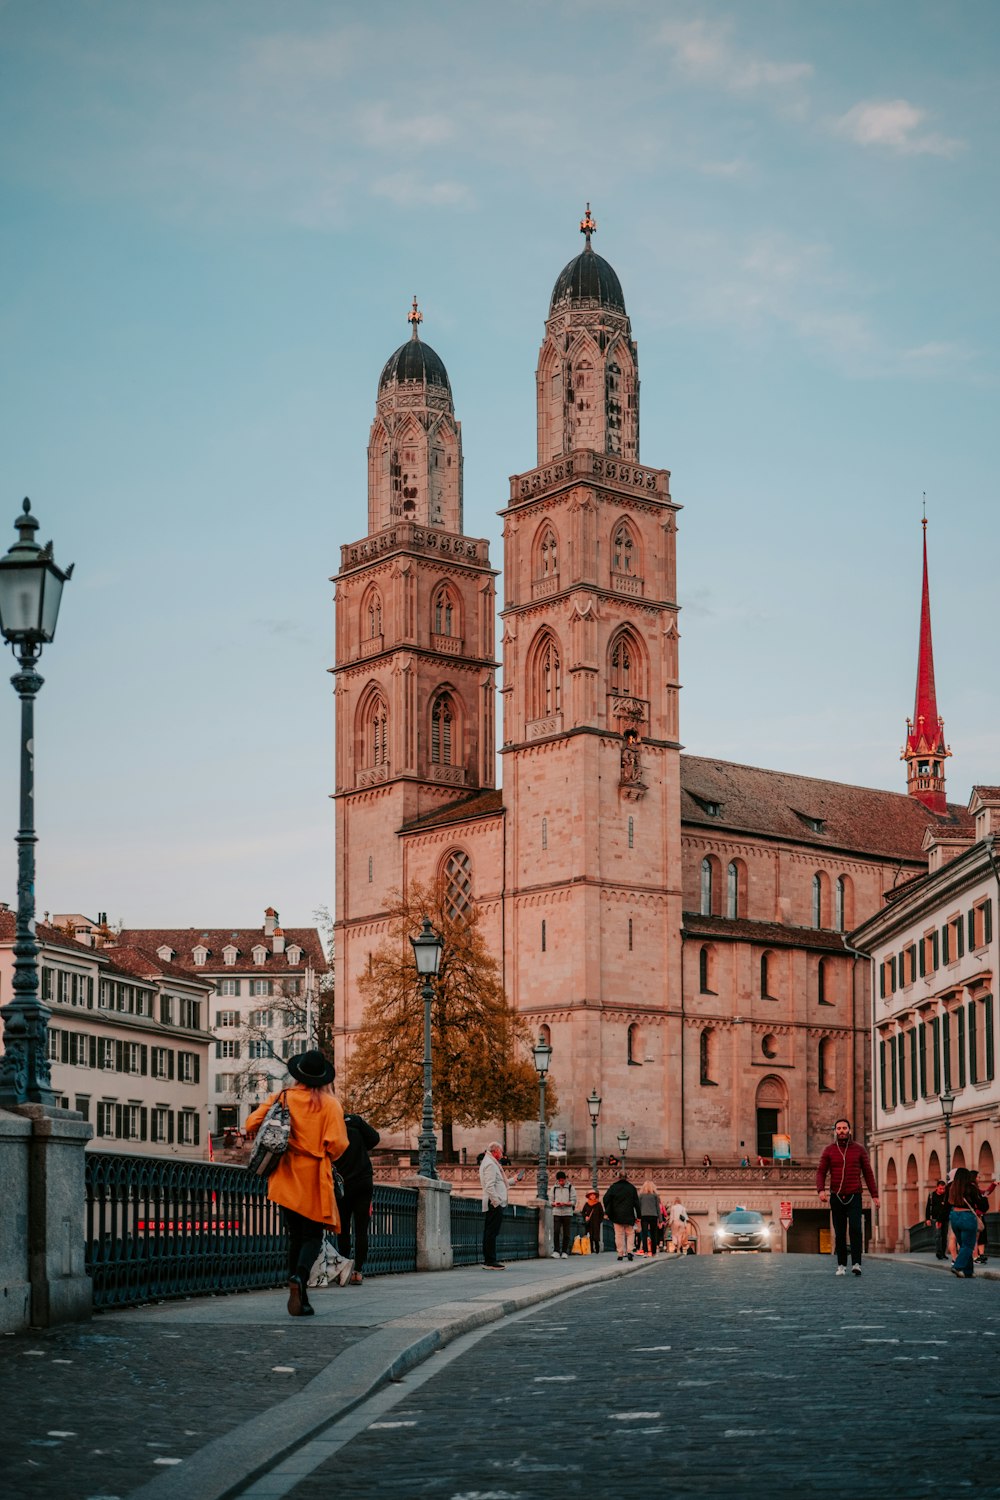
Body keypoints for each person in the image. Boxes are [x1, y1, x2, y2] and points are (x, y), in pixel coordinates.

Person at [244, 1049, 348, 1317]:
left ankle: (298, 1293)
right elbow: (338, 1145)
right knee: (313, 1236)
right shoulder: (330, 1104)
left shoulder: (283, 1097)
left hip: (285, 1175)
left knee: (294, 1237)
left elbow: (251, 1123)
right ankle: (300, 1278)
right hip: (313, 1176)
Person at [816, 1117, 879, 1277]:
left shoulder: (859, 1149)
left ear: (849, 1131)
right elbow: (821, 1172)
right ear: (835, 1131)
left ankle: (856, 1263)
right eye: (839, 1129)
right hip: (836, 1196)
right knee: (840, 1232)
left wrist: (875, 1195)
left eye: (844, 1128)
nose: (842, 1131)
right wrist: (821, 1190)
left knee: (856, 1229)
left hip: (854, 1196)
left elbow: (868, 1173)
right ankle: (841, 1265)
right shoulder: (829, 1150)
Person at [334, 1111, 380, 1285]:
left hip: (342, 1183)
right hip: (363, 1182)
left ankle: (344, 1269)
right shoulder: (356, 1123)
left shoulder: (333, 1127)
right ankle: (358, 1271)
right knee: (361, 1229)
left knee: (343, 1229)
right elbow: (375, 1139)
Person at [479, 1140, 517, 1269]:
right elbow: (490, 1186)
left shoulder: (492, 1163)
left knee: (490, 1231)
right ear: (495, 1151)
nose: (502, 1154)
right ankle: (490, 1261)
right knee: (491, 1232)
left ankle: (489, 1260)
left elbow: (499, 1183)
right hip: (493, 1203)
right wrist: (496, 1203)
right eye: (500, 1151)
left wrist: (513, 1180)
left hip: (494, 1202)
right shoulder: (490, 1164)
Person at [948, 1166, 980, 1278]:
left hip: (955, 1216)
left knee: (963, 1245)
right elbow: (980, 1203)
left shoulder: (952, 1187)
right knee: (968, 1245)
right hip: (967, 1216)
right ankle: (957, 1266)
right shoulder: (970, 1188)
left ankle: (968, 1271)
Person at [602, 1171, 640, 1261]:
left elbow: (605, 1198)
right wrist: (639, 1216)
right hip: (629, 1215)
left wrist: (609, 1208)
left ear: (618, 1177)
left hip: (616, 1214)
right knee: (630, 1234)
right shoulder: (631, 1188)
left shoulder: (614, 1187)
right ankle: (630, 1251)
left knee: (619, 1234)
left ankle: (620, 1253)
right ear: (627, 1177)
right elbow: (636, 1203)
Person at [551, 1171, 577, 1258]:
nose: (561, 1182)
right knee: (556, 1231)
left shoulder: (570, 1188)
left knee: (566, 1233)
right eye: (560, 1181)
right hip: (557, 1212)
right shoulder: (553, 1188)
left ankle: (565, 1251)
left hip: (567, 1212)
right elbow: (550, 1201)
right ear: (557, 1180)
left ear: (565, 1179)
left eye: (563, 1180)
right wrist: (554, 1204)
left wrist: (565, 1204)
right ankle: (556, 1251)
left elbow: (574, 1201)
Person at [924, 1179, 950, 1260]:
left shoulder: (946, 1196)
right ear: (936, 1188)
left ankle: (943, 1252)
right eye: (940, 1189)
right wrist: (927, 1219)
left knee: (944, 1236)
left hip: (945, 1218)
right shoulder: (932, 1195)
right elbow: (928, 1207)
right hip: (935, 1218)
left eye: (943, 1189)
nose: (942, 1190)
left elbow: (947, 1208)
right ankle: (939, 1252)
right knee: (937, 1236)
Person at [638, 1180, 661, 1255]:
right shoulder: (655, 1196)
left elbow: (639, 1207)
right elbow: (658, 1208)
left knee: (644, 1234)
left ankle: (645, 1252)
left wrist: (638, 1217)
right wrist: (660, 1219)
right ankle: (653, 1252)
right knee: (653, 1234)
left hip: (644, 1215)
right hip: (653, 1216)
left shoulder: (641, 1195)